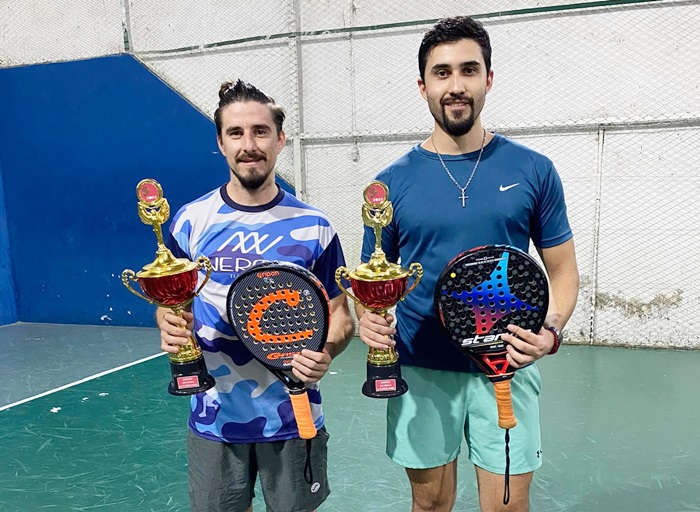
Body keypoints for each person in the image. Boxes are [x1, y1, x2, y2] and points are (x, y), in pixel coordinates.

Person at [355, 16, 580, 512]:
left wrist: (551, 331)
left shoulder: (533, 169)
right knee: (430, 505)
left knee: (506, 506)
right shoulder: (389, 185)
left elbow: (563, 269)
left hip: (507, 362)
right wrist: (366, 319)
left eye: (468, 70)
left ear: (488, 79)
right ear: (423, 86)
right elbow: (372, 282)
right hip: (422, 366)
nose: (455, 85)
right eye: (442, 73)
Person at [156, 79, 355, 512]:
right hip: (214, 419)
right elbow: (172, 304)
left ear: (280, 139)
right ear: (221, 143)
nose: (249, 145)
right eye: (236, 133)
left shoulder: (314, 225)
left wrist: (326, 350)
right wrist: (167, 322)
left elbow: (341, 314)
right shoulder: (190, 222)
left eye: (261, 131)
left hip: (293, 415)